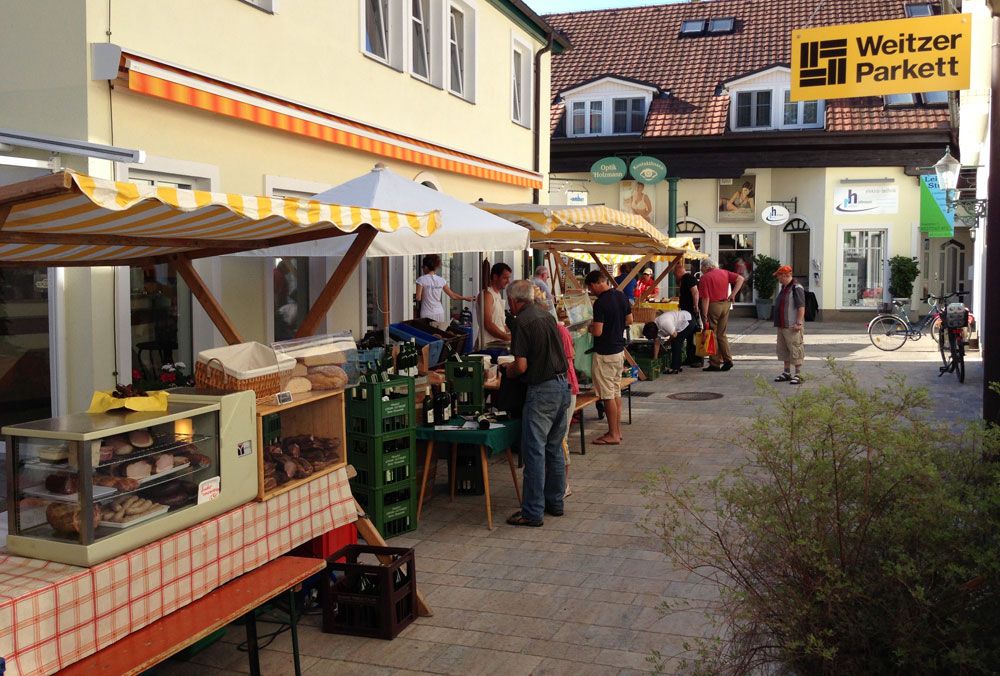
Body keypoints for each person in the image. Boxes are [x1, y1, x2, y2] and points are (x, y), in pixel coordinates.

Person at [504, 280, 570, 527]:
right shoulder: (546, 315)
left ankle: (532, 511)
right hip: (561, 385)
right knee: (554, 448)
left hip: (542, 389)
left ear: (514, 300)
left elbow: (521, 366)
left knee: (535, 451)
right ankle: (555, 502)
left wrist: (508, 370)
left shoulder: (522, 321)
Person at [585, 269, 632, 445]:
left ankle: (613, 434)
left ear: (595, 284)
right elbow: (630, 320)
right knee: (615, 392)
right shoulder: (621, 296)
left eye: (590, 288)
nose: (591, 292)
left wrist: (589, 328)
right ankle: (616, 431)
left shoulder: (600, 303)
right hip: (619, 351)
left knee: (607, 395)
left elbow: (598, 331)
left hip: (605, 353)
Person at [698, 257, 743, 372]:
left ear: (706, 267)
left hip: (713, 306)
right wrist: (733, 294)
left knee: (712, 334)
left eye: (702, 268)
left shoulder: (705, 278)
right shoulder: (724, 272)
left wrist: (704, 316)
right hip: (725, 305)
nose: (701, 270)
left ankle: (715, 363)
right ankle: (728, 360)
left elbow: (705, 298)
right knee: (722, 334)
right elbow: (740, 279)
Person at [415, 254, 474, 329]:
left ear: (426, 267)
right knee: (439, 333)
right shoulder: (441, 280)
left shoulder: (421, 280)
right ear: (435, 267)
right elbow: (452, 295)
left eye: (422, 267)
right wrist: (465, 298)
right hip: (439, 312)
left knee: (428, 333)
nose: (422, 269)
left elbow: (418, 298)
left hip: (427, 313)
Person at [772, 265, 806, 384]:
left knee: (795, 349)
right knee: (784, 350)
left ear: (785, 275)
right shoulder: (784, 287)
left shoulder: (796, 287)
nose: (778, 278)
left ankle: (798, 374)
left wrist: (799, 323)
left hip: (792, 325)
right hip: (782, 324)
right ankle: (786, 372)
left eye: (779, 276)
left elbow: (801, 307)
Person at [643, 310, 696, 374]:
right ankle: (678, 365)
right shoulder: (654, 327)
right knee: (676, 342)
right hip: (684, 319)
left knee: (676, 342)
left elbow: (674, 334)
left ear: (654, 333)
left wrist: (668, 342)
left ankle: (675, 368)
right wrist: (655, 358)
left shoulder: (663, 323)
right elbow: (657, 343)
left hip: (687, 320)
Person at [476, 262, 513, 346]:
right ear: (495, 277)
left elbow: (501, 324)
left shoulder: (497, 294)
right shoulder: (487, 295)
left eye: (508, 278)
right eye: (505, 278)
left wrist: (512, 334)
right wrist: (508, 337)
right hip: (488, 344)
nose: (508, 281)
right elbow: (488, 324)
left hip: (498, 343)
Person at [675, 264, 702, 367]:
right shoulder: (685, 279)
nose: (675, 277)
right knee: (689, 335)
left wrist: (695, 306)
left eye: (675, 274)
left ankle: (696, 359)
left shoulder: (688, 278)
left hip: (691, 311)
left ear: (678, 272)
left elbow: (695, 292)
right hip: (687, 311)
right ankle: (690, 358)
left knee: (694, 335)